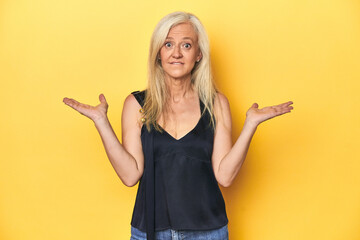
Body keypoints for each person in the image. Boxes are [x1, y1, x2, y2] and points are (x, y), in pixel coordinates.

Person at [63, 11, 293, 240]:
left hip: (208, 233)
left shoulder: (215, 104)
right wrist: (101, 122)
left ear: (199, 54)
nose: (176, 54)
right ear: (158, 54)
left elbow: (225, 176)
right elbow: (130, 175)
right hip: (150, 232)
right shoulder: (137, 105)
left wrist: (250, 125)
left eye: (186, 45)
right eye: (168, 44)